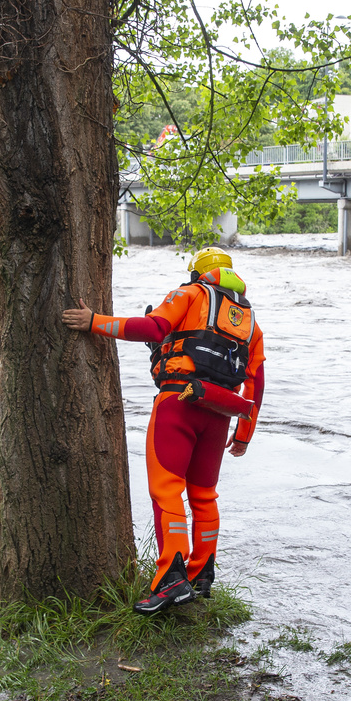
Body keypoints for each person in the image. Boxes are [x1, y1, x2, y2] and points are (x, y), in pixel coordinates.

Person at [62, 246, 266, 614]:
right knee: (204, 495)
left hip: (177, 403)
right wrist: (244, 433)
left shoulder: (189, 294)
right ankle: (201, 574)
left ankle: (171, 580)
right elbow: (256, 381)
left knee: (166, 491)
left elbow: (153, 328)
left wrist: (95, 321)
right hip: (219, 413)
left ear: (196, 273)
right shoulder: (250, 321)